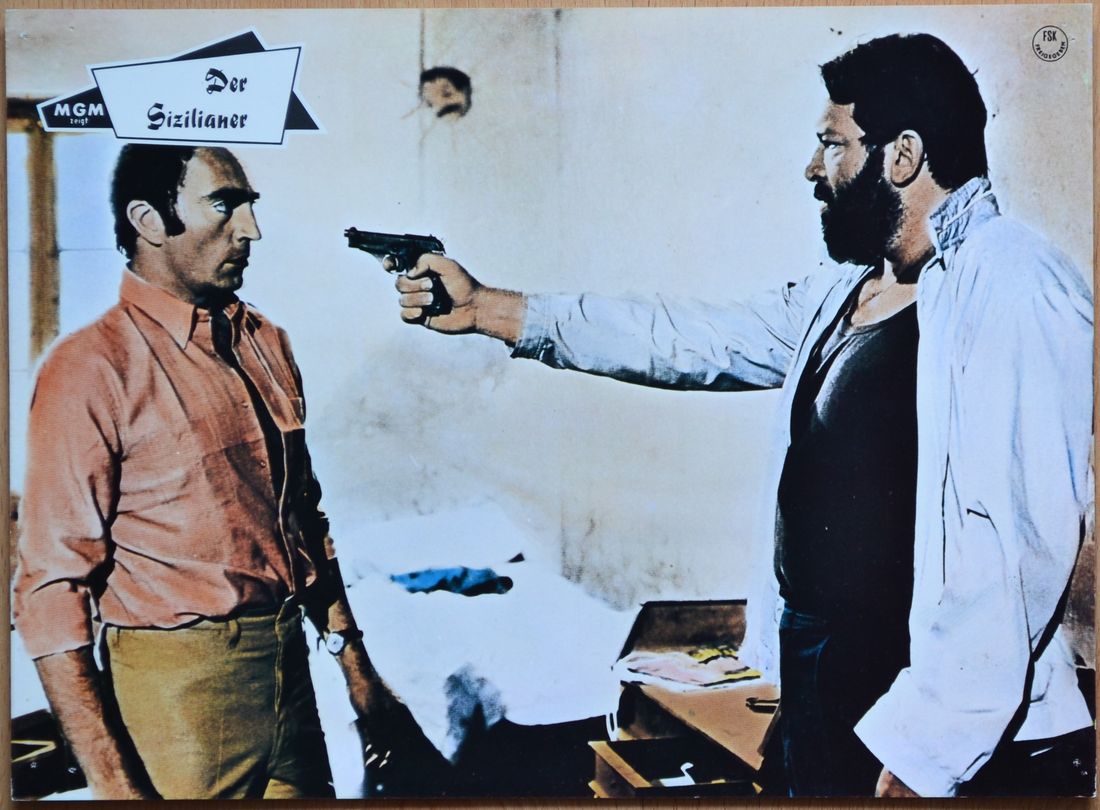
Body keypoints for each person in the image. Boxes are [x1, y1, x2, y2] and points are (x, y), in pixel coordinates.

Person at [392, 34, 1094, 797]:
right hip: (824, 682)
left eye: (832, 144)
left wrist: (929, 749)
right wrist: (491, 309)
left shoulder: (1013, 283)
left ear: (903, 154)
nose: (813, 169)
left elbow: (1016, 546)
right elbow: (688, 336)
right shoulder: (851, 293)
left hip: (922, 716)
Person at [12, 144, 421, 799]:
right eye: (225, 205)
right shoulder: (89, 368)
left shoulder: (266, 341)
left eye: (249, 206)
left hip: (288, 676)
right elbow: (50, 589)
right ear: (148, 220)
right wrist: (113, 785)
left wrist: (357, 671)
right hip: (176, 698)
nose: (250, 230)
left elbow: (303, 521)